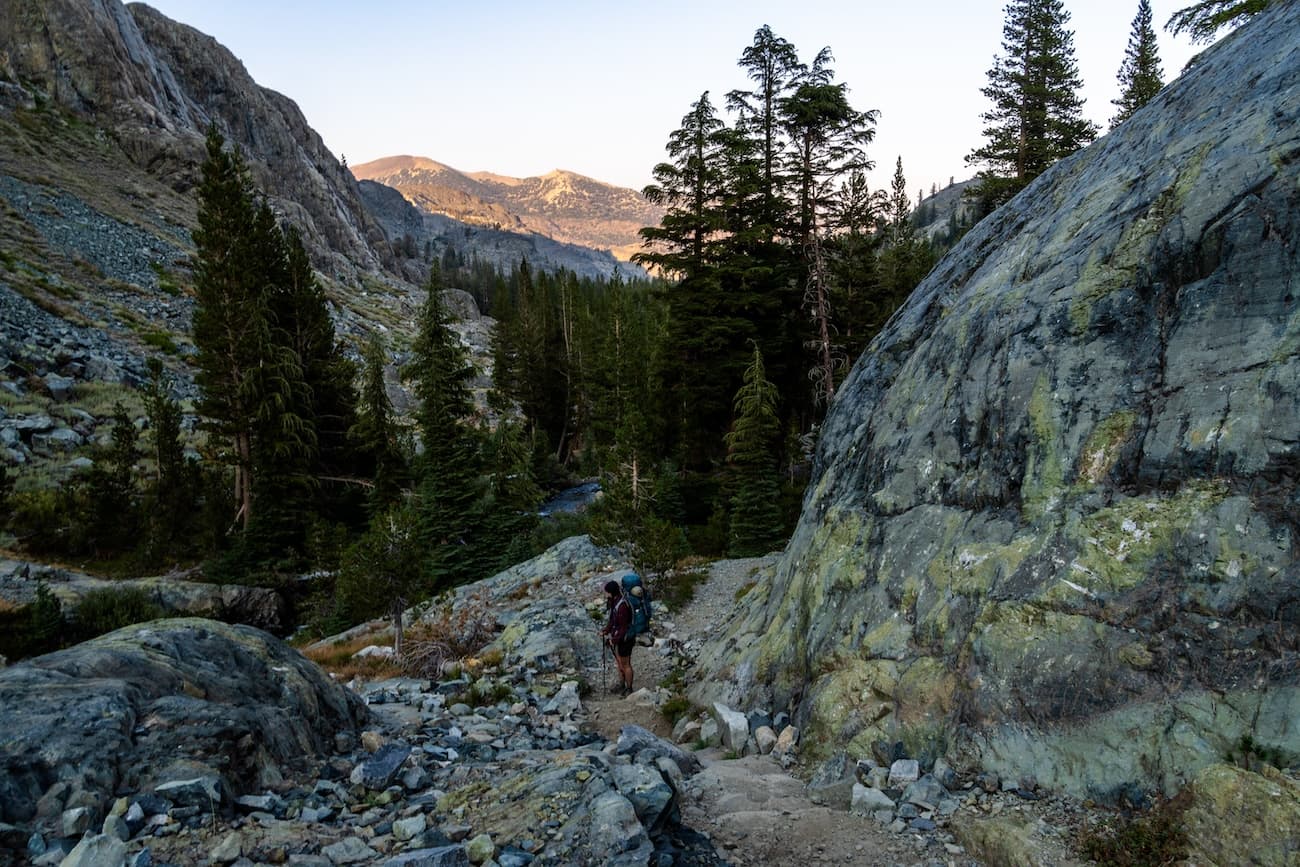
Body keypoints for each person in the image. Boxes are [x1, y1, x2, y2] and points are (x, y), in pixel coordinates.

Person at [600, 579, 634, 696]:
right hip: (619, 637)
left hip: (625, 638)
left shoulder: (622, 605)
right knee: (619, 663)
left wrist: (613, 639)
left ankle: (629, 688)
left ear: (611, 592)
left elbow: (623, 627)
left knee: (625, 664)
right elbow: (612, 620)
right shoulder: (615, 601)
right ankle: (622, 685)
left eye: (607, 592)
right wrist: (606, 630)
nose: (606, 594)